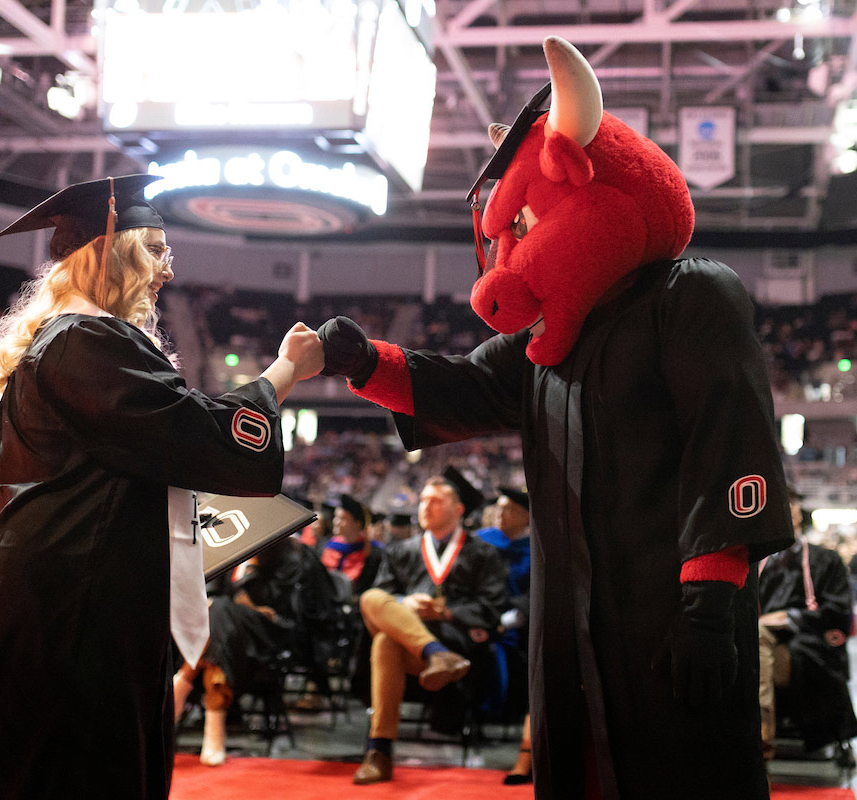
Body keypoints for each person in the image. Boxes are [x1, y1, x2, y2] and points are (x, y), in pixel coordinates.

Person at [319, 37, 792, 799]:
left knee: (680, 770)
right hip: (568, 620)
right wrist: (362, 361)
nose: (505, 265)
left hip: (666, 607)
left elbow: (728, 444)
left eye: (525, 229)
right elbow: (464, 387)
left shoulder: (690, 295)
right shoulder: (551, 344)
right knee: (576, 768)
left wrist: (709, 602)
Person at [0, 174, 326, 800]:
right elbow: (202, 440)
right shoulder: (87, 341)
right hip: (71, 609)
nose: (168, 270)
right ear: (110, 250)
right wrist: (283, 372)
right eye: (154, 248)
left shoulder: (70, 341)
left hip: (66, 595)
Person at [352, 472, 509, 785]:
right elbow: (384, 597)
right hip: (417, 650)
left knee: (385, 641)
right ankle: (433, 654)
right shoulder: (401, 551)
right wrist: (406, 603)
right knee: (372, 599)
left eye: (436, 501)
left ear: (459, 509)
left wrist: (446, 612)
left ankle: (380, 751)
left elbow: (493, 608)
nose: (426, 507)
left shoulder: (482, 552)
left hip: (459, 648)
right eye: (423, 500)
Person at [172, 535, 339, 766]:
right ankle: (214, 725)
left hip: (270, 633)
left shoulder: (289, 554)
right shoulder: (229, 546)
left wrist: (253, 585)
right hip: (227, 634)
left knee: (220, 614)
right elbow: (210, 591)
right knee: (218, 615)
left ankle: (184, 678)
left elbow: (287, 611)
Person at [758, 491, 857, 761]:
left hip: (810, 646)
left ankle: (761, 745)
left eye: (791, 502)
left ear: (799, 510)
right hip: (767, 649)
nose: (786, 507)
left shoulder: (825, 560)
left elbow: (838, 611)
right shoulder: (759, 562)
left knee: (757, 641)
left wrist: (789, 617)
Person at [477, 486, 534, 784]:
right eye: (499, 507)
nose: (500, 512)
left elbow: (534, 594)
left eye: (509, 509)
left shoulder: (536, 547)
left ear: (526, 516)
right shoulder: (481, 542)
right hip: (479, 623)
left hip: (519, 629)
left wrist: (508, 620)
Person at [320, 493, 383, 597]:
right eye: (335, 517)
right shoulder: (326, 545)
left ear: (357, 524)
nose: (336, 522)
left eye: (342, 519)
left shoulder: (373, 553)